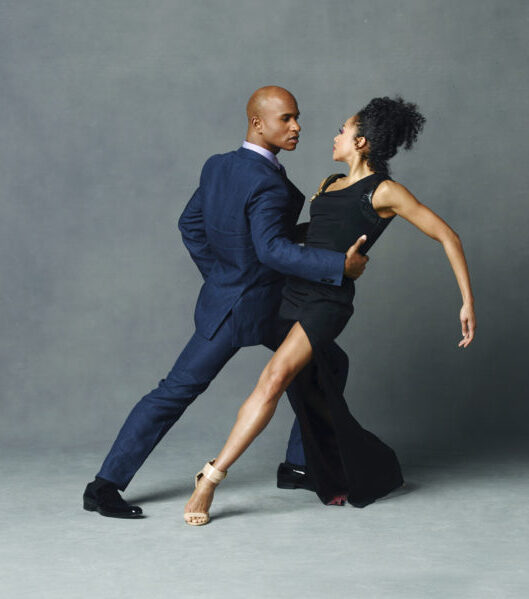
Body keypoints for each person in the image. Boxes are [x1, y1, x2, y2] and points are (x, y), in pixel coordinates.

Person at [183, 95, 477, 525]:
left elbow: (447, 236)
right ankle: (350, 468)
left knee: (274, 379)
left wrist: (467, 301)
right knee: (314, 387)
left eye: (343, 129)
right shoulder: (328, 183)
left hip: (326, 302)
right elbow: (308, 236)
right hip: (293, 294)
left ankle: (209, 478)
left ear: (361, 142)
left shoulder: (385, 191)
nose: (334, 135)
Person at [83, 86, 369, 518]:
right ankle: (103, 487)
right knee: (176, 392)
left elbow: (191, 225)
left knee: (329, 362)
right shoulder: (266, 183)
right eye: (286, 119)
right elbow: (270, 249)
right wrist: (337, 266)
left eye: (298, 118)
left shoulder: (218, 166)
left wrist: (224, 276)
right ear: (258, 122)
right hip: (247, 308)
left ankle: (299, 465)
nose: (297, 127)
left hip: (252, 303)